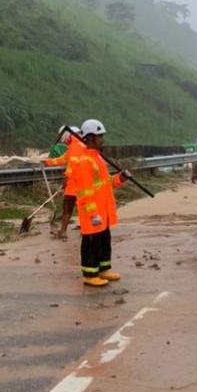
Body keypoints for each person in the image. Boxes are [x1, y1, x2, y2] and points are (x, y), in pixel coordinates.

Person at [64, 119, 130, 287]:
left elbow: (105, 182)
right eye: (100, 136)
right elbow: (85, 192)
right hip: (92, 212)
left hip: (103, 210)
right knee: (91, 243)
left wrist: (120, 179)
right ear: (91, 138)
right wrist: (93, 214)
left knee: (103, 241)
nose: (103, 139)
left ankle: (103, 270)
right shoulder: (85, 161)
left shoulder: (97, 158)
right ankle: (89, 274)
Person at [43, 126, 80, 240]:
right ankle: (79, 228)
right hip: (78, 182)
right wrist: (47, 162)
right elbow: (63, 159)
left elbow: (72, 164)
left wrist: (66, 179)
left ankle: (65, 231)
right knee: (77, 205)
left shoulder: (75, 146)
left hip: (76, 182)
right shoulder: (78, 145)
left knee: (70, 206)